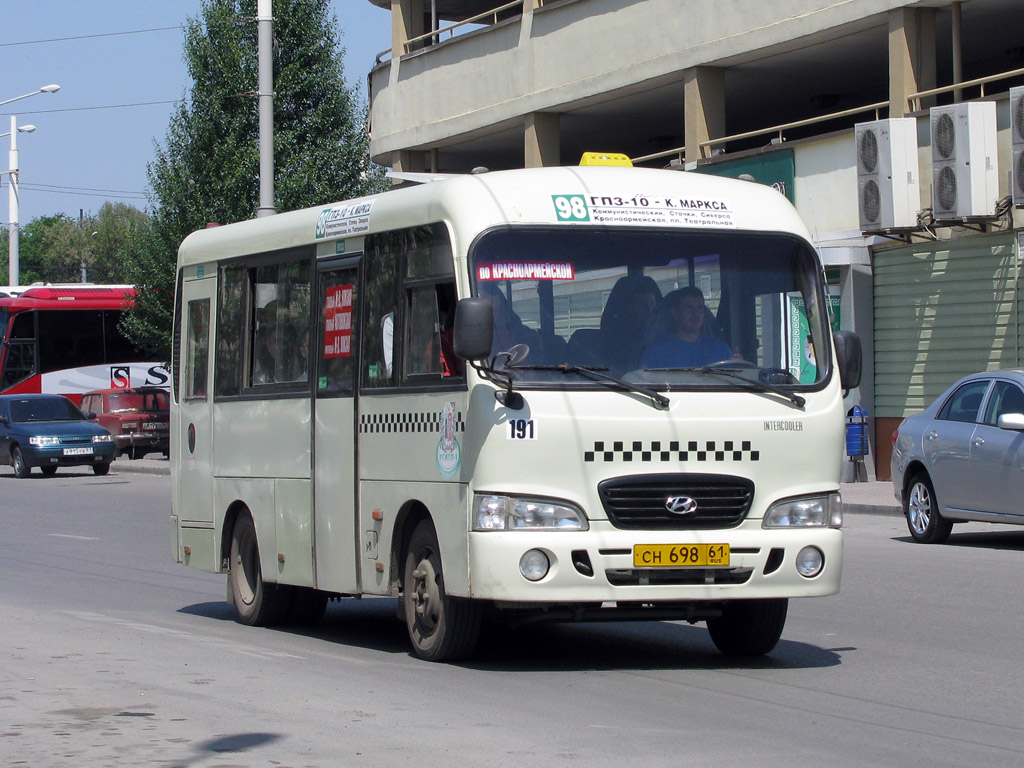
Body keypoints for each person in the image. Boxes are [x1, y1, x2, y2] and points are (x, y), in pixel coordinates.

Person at [639, 286, 732, 368]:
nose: (695, 314)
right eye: (689, 307)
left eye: (700, 307)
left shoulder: (722, 350)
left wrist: (738, 367)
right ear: (675, 313)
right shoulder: (656, 352)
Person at [598, 275, 661, 371]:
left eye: (652, 304)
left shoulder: (665, 337)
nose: (649, 309)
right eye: (642, 305)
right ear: (630, 309)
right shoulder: (617, 343)